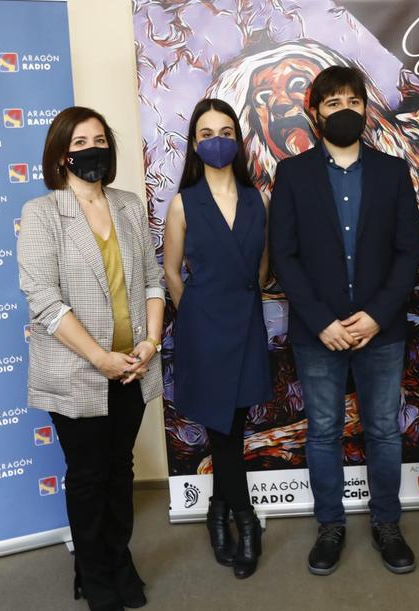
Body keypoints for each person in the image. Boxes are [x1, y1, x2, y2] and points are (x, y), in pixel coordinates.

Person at [269, 65, 419, 576]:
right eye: (332, 103)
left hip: (382, 331)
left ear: (366, 108)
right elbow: (284, 256)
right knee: (324, 431)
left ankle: (387, 524)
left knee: (382, 430)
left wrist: (377, 316)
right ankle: (330, 526)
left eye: (352, 102)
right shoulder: (292, 174)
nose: (344, 111)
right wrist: (321, 321)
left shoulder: (392, 172)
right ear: (315, 113)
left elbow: (408, 252)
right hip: (320, 333)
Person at [18, 107, 165, 610]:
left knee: (120, 469)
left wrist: (150, 343)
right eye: (81, 142)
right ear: (63, 154)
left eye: (100, 139)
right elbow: (44, 300)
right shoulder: (42, 213)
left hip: (134, 366)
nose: (93, 149)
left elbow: (152, 281)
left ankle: (118, 558)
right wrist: (101, 357)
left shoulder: (128, 205)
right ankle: (93, 572)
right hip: (78, 370)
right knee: (88, 475)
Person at [163, 99, 273, 579]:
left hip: (246, 324)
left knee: (235, 427)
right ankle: (244, 521)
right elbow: (170, 270)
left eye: (225, 130)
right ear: (193, 142)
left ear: (238, 138)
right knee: (222, 432)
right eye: (206, 132)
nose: (216, 139)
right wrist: (196, 312)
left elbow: (264, 268)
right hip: (203, 330)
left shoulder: (259, 200)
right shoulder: (183, 202)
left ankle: (216, 511)